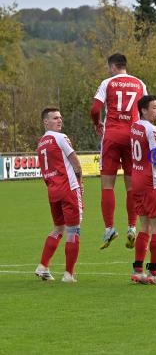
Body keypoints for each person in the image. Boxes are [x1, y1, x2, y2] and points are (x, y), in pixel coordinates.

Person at [90, 53, 148, 250]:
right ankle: (132, 227)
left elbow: (95, 109)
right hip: (133, 137)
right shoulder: (140, 83)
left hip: (113, 136)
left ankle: (109, 228)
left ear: (113, 66)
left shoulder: (108, 83)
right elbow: (145, 110)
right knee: (131, 185)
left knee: (108, 185)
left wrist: (97, 124)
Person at [35, 107, 83, 283]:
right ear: (45, 122)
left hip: (53, 190)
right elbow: (75, 161)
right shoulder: (60, 137)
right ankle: (69, 274)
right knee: (73, 230)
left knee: (58, 228)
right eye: (55, 118)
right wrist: (80, 182)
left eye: (60, 118)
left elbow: (43, 169)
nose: (59, 120)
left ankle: (43, 266)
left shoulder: (41, 143)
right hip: (68, 188)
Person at [130, 95, 156, 285]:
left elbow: (148, 151)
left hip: (136, 180)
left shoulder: (135, 126)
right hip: (152, 182)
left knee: (144, 226)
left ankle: (138, 270)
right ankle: (154, 273)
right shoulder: (152, 129)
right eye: (154, 107)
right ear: (144, 110)